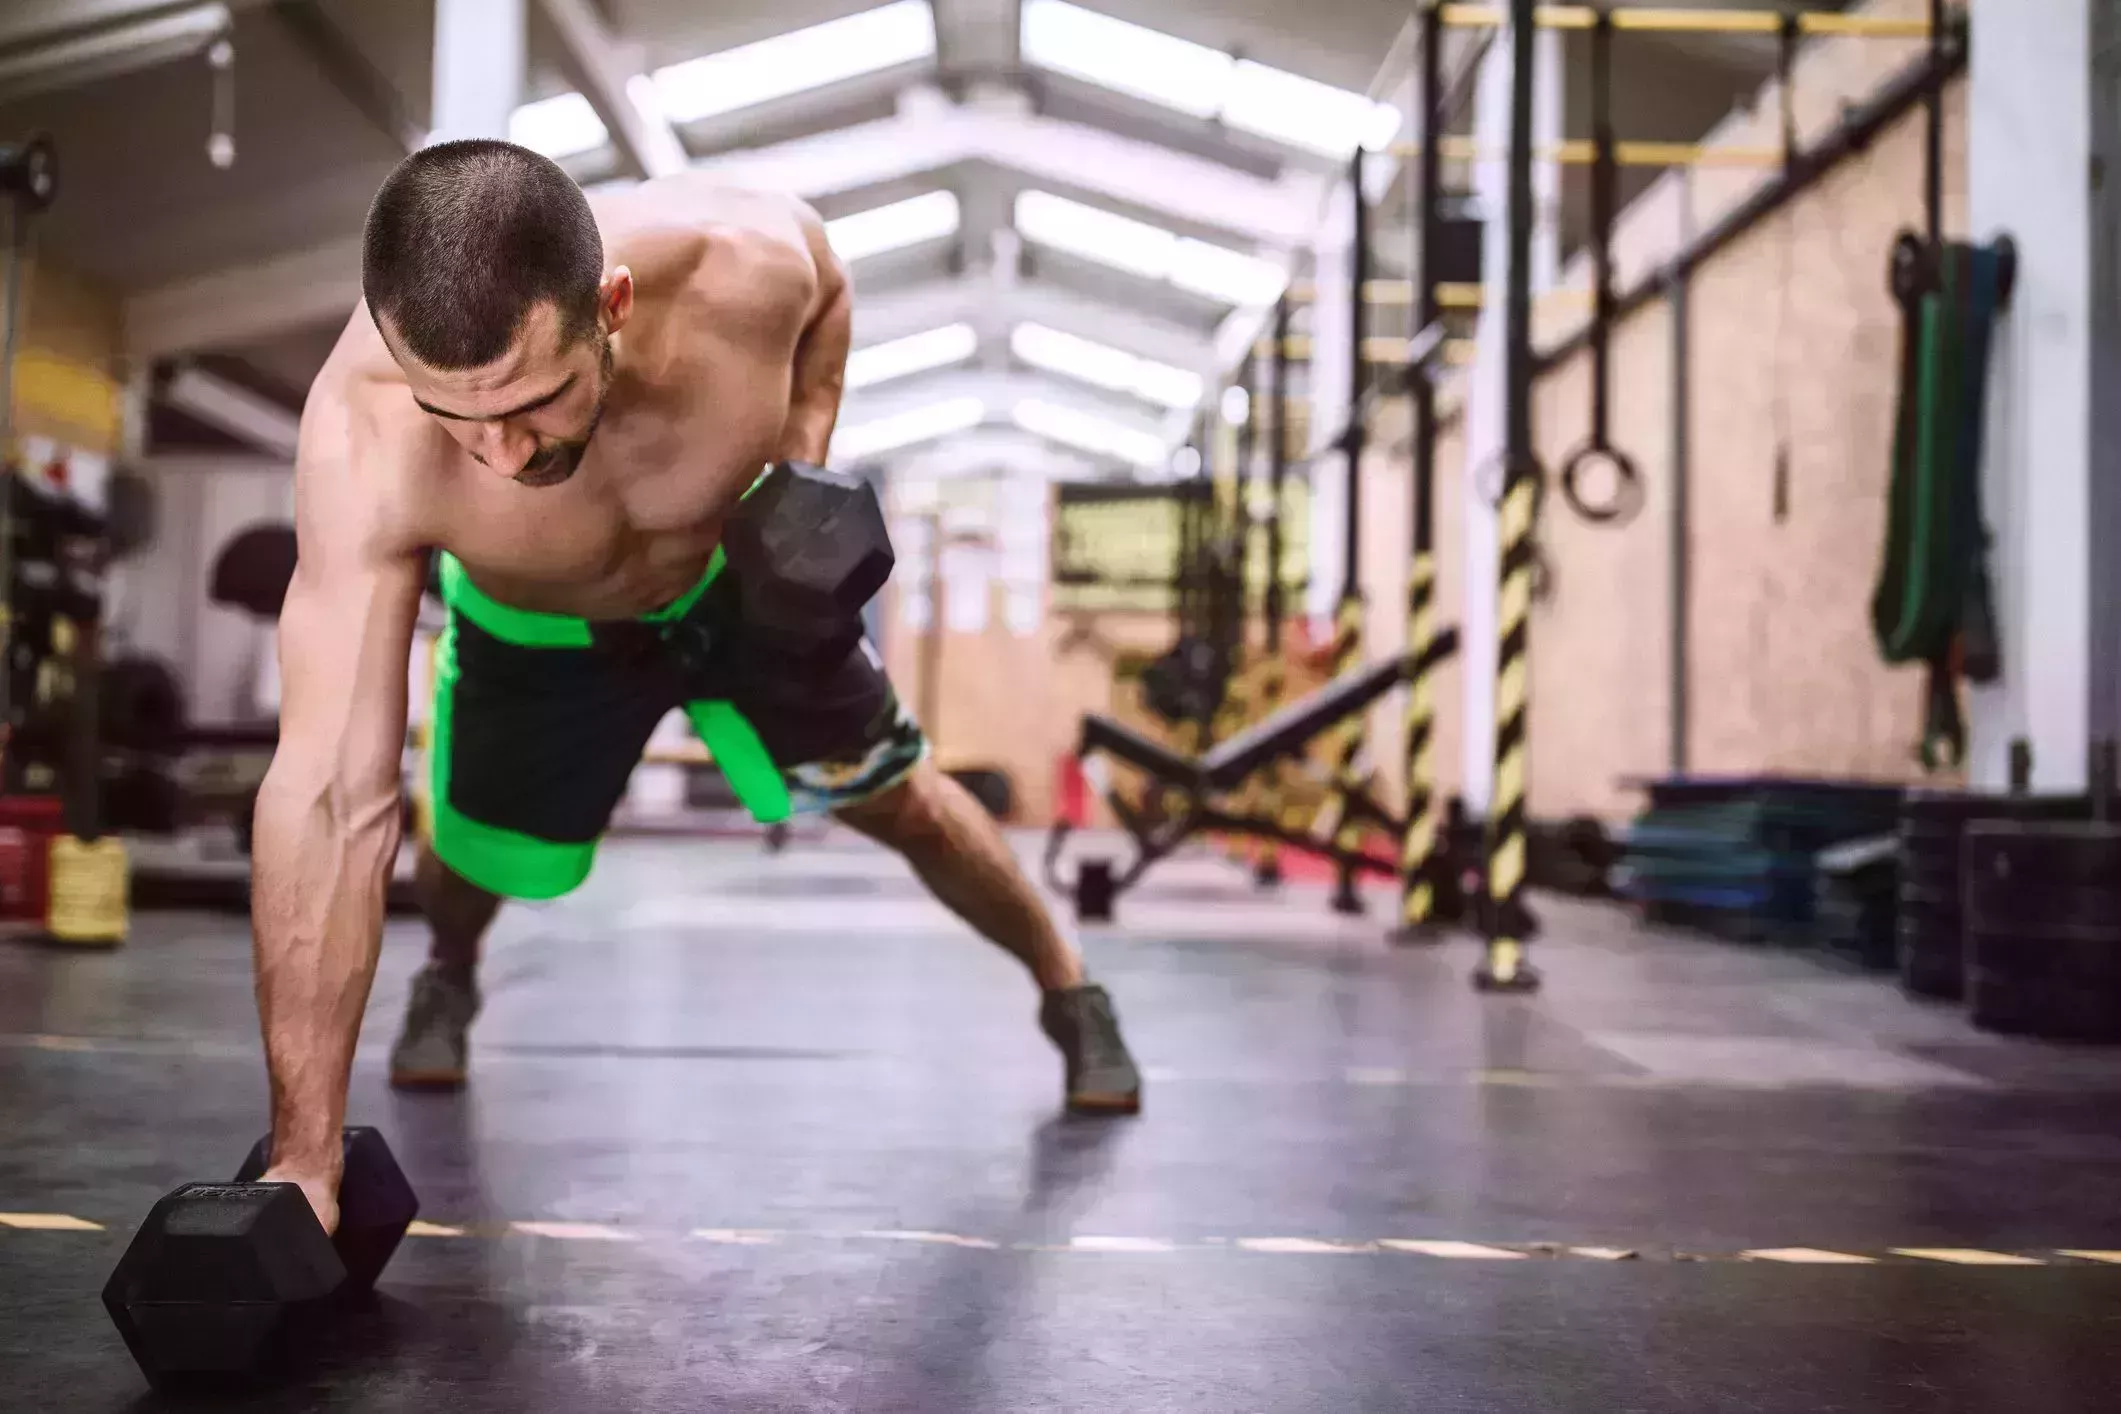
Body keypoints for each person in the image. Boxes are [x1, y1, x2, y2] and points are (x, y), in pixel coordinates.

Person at [252, 140, 1141, 1233]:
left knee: (900, 795)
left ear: (610, 305)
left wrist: (801, 465)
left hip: (731, 588)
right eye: (457, 417)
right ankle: (450, 968)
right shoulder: (365, 434)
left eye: (537, 401)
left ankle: (1070, 987)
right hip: (539, 624)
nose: (496, 454)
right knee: (472, 844)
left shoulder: (746, 260)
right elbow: (331, 797)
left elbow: (830, 290)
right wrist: (303, 1156)